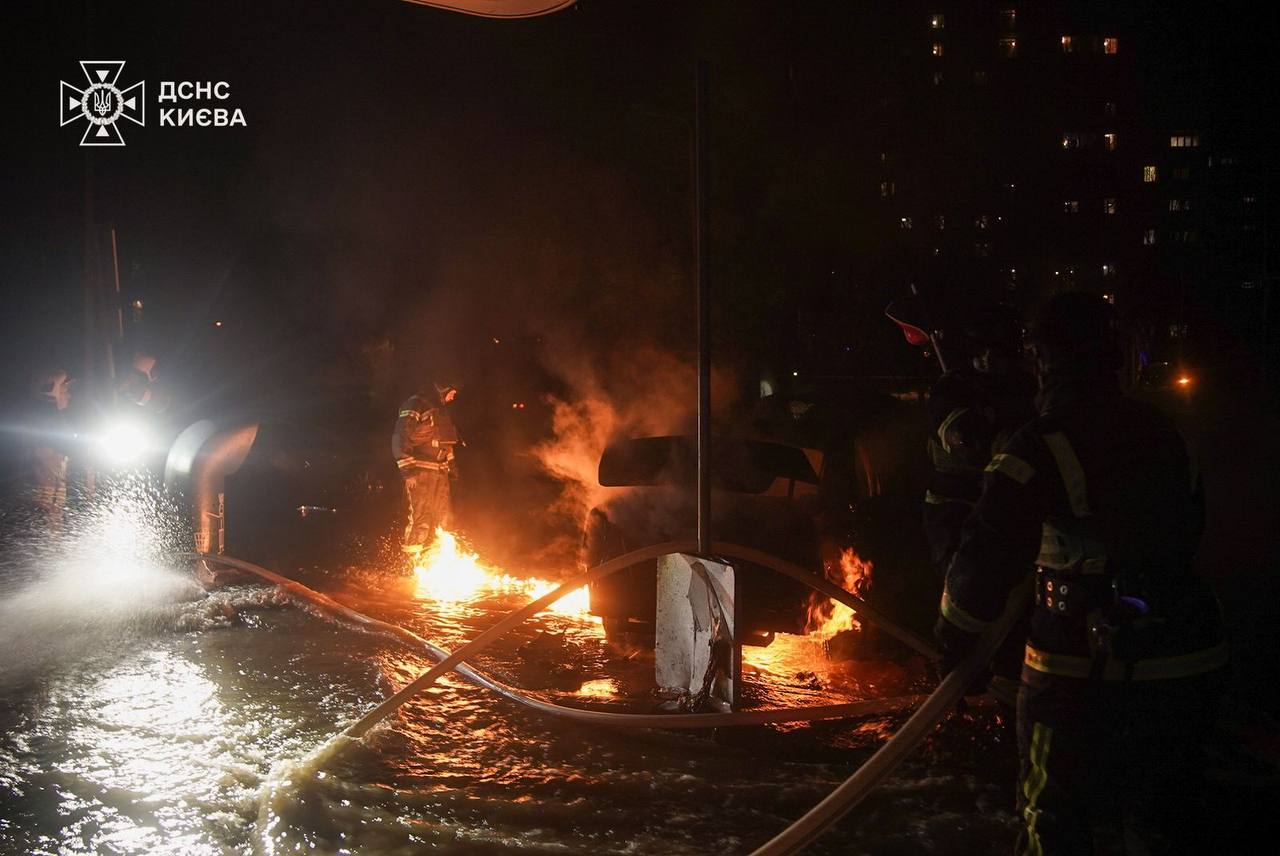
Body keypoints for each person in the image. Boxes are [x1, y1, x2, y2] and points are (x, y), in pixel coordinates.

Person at [934, 292, 1227, 855]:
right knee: (1164, 821)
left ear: (1042, 358)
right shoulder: (1165, 432)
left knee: (1053, 820)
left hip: (1075, 667)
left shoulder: (1038, 446)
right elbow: (1190, 530)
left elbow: (986, 556)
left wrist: (954, 644)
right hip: (1186, 659)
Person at [923, 303, 1037, 579]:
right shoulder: (951, 388)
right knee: (962, 583)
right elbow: (963, 439)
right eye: (982, 348)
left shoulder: (1026, 387)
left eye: (998, 350)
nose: (988, 357)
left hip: (1010, 506)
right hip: (956, 506)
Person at [392, 380, 461, 561]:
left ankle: (440, 560)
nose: (454, 396)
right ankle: (412, 563)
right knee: (421, 518)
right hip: (420, 472)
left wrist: (452, 469)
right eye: (452, 392)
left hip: (440, 473)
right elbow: (401, 436)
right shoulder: (416, 404)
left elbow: (446, 444)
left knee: (445, 519)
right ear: (443, 388)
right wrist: (408, 472)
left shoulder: (440, 411)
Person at [17, 368, 74, 534]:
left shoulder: (51, 425)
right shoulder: (43, 427)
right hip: (40, 510)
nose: (69, 395)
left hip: (50, 508)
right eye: (64, 389)